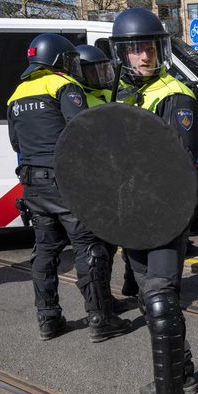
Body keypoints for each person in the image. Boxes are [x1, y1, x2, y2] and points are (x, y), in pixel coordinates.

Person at [110, 8, 198, 394]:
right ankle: (181, 368)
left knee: (162, 302)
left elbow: (177, 169)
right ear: (122, 53)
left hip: (163, 215)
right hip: (130, 216)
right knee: (148, 300)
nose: (141, 55)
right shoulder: (122, 97)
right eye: (133, 48)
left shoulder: (175, 95)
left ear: (160, 48)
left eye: (147, 46)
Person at [7, 33, 131, 343]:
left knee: (44, 253)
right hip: (67, 183)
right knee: (88, 248)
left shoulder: (17, 94)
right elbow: (81, 131)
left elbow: (15, 143)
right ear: (58, 60)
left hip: (33, 186)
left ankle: (48, 318)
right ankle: (101, 318)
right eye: (69, 60)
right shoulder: (63, 85)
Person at [75, 44, 139, 301]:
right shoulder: (80, 100)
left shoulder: (107, 93)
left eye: (104, 70)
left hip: (120, 177)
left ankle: (129, 284)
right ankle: (104, 299)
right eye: (95, 71)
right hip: (99, 183)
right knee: (100, 248)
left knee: (123, 238)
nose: (102, 76)